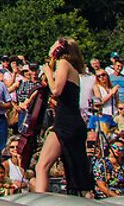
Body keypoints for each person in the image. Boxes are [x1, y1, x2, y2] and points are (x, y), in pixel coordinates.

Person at [32, 37, 94, 195]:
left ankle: (41, 201)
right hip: (69, 121)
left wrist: (47, 71)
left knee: (42, 166)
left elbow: (56, 90)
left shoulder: (64, 64)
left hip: (66, 123)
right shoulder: (69, 68)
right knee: (72, 169)